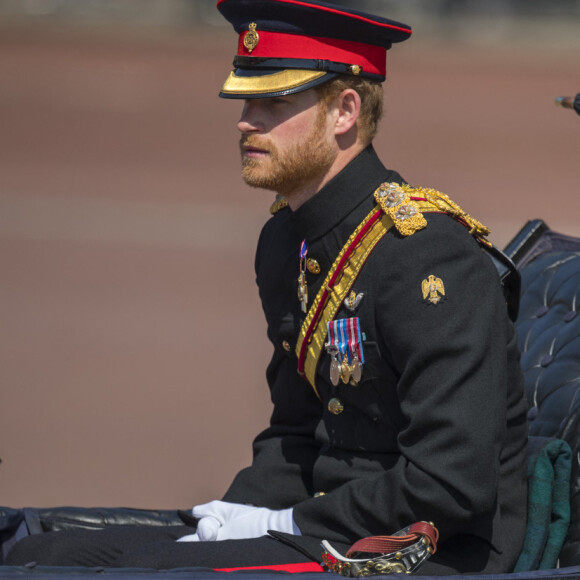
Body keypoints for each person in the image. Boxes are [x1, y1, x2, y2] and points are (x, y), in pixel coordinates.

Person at [4, 0, 529, 575]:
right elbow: (297, 431)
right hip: (327, 528)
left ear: (344, 111)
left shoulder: (426, 257)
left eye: (274, 102)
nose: (245, 120)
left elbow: (449, 484)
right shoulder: (288, 243)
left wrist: (284, 524)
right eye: (245, 99)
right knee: (38, 556)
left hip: (422, 552)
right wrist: (233, 512)